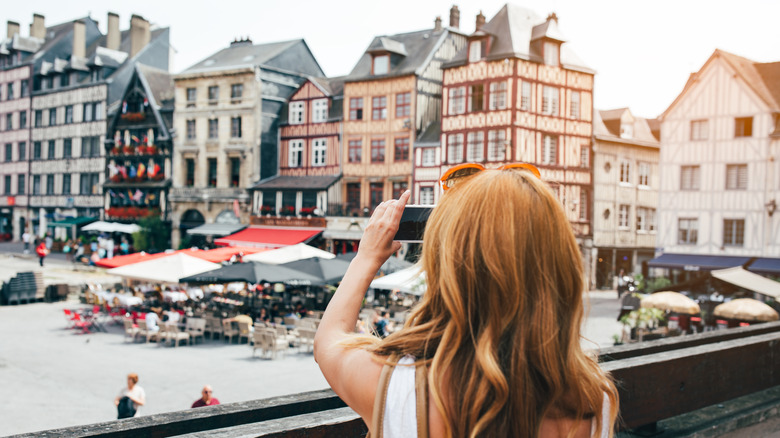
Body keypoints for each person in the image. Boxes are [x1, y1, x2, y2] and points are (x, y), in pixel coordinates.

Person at [314, 166, 618, 437]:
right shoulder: (592, 399)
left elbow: (328, 340)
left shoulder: (397, 386)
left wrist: (366, 258)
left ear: (447, 264)